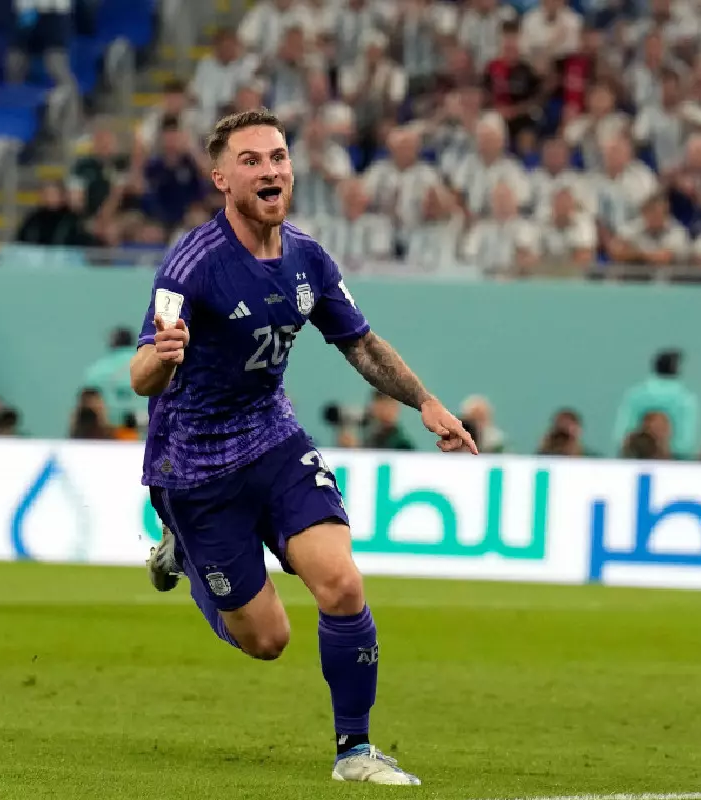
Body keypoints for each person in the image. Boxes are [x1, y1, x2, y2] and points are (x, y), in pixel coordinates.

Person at [132, 109, 476, 785]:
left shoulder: (308, 258)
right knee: (268, 641)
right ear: (222, 178)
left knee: (342, 583)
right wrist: (163, 356)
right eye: (253, 160)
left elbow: (363, 346)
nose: (270, 170)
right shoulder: (192, 266)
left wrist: (426, 403)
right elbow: (143, 371)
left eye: (279, 157)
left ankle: (355, 751)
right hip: (196, 468)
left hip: (274, 441)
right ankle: (185, 553)